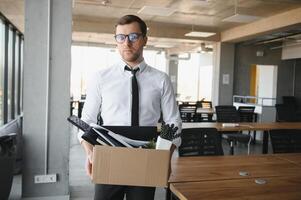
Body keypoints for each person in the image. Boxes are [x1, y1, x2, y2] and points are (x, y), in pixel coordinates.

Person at [78, 14, 182, 200]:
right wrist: (90, 152)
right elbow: (87, 122)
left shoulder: (161, 79)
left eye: (133, 36)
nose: (127, 43)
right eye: (121, 37)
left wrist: (165, 156)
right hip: (109, 156)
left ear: (144, 40)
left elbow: (172, 121)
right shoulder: (101, 78)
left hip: (146, 157)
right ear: (116, 41)